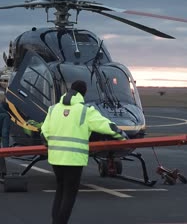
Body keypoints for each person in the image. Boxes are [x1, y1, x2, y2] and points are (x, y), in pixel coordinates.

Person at [41, 80, 127, 224]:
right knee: (70, 194)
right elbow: (106, 126)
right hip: (74, 159)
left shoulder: (53, 109)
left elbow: (44, 132)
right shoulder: (85, 111)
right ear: (84, 93)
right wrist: (122, 135)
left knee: (60, 190)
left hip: (55, 157)